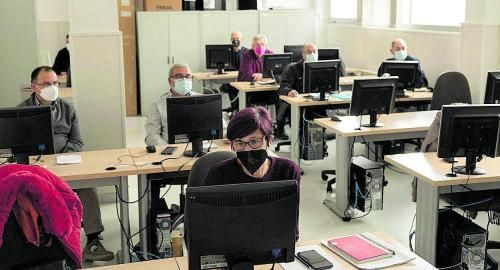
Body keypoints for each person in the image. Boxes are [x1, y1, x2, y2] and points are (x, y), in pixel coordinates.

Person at [18, 66, 114, 261]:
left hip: (65, 165)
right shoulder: (22, 112)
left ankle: (93, 241)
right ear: (34, 86)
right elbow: (17, 146)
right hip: (37, 170)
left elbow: (77, 141)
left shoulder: (68, 108)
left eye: (55, 83)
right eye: (46, 83)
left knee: (88, 185)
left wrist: (63, 160)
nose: (52, 87)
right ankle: (49, 246)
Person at [204, 106, 301, 239]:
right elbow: (209, 229)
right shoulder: (218, 175)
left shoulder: (288, 172)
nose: (247, 149)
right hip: (229, 249)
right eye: (239, 142)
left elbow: (290, 229)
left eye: (254, 141)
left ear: (269, 140)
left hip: (273, 248)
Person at [145, 63, 200, 146]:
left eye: (187, 76)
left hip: (200, 149)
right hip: (170, 152)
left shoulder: (203, 100)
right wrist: (168, 149)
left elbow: (221, 128)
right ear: (170, 81)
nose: (184, 80)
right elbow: (152, 136)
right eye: (179, 76)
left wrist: (226, 136)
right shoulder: (158, 105)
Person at [275, 43, 318, 140]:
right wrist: (289, 91)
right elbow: (283, 87)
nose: (312, 55)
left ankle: (314, 146)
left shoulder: (321, 67)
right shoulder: (293, 68)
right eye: (309, 52)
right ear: (303, 54)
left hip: (317, 104)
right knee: (305, 123)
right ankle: (302, 148)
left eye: (314, 52)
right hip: (298, 107)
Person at [219, 31, 249, 113]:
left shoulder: (248, 52)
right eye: (233, 39)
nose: (235, 41)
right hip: (230, 81)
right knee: (231, 87)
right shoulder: (227, 52)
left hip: (244, 81)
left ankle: (239, 110)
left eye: (237, 39)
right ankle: (235, 110)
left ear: (242, 39)